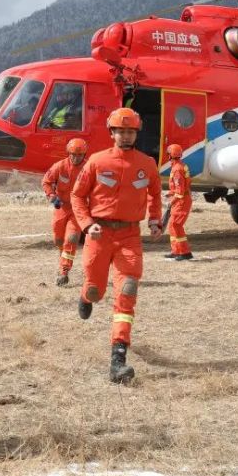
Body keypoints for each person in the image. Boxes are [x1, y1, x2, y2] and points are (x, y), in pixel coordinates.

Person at [70, 107, 162, 383]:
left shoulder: (147, 164)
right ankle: (86, 296)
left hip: (130, 237)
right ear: (112, 133)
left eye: (130, 131)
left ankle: (118, 359)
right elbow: (77, 196)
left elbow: (155, 193)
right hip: (99, 235)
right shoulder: (96, 162)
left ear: (136, 133)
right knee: (97, 290)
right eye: (121, 131)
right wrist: (87, 225)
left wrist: (155, 219)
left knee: (127, 291)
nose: (125, 136)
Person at [41, 138, 89, 286]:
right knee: (59, 240)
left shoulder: (89, 168)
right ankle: (63, 257)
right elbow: (46, 181)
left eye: (79, 155)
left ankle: (64, 271)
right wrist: (52, 196)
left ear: (84, 154)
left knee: (72, 239)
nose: (76, 157)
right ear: (68, 153)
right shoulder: (60, 166)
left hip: (78, 209)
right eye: (73, 154)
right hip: (61, 207)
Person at [164, 143, 193, 261]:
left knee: (176, 225)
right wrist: (170, 193)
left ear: (171, 155)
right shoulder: (178, 166)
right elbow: (179, 188)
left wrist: (171, 201)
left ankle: (185, 252)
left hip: (181, 201)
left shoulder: (177, 169)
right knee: (172, 225)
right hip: (181, 199)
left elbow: (180, 191)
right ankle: (176, 251)